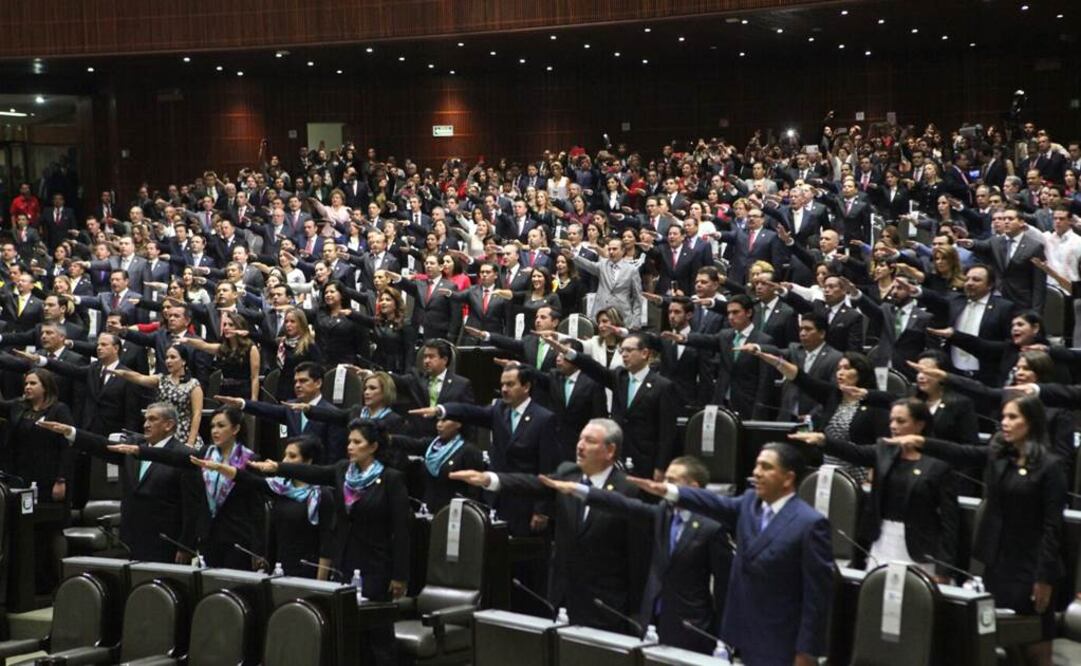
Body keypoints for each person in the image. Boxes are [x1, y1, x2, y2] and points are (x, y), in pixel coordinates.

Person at [890, 396, 1066, 666]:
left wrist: (1044, 576)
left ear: (1031, 422)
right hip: (998, 561)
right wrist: (922, 442)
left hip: (1032, 565)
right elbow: (962, 452)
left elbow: (1052, 526)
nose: (1004, 423)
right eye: (1003, 417)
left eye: (1012, 417)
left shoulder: (1050, 466)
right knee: (1001, 638)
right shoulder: (1000, 454)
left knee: (1035, 645)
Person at [630, 442, 833, 666]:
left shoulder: (810, 523)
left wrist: (807, 652)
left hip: (783, 640)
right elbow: (712, 502)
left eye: (766, 467)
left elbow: (817, 598)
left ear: (788, 478)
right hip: (747, 636)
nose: (756, 472)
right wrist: (670, 491)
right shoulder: (749, 505)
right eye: (756, 465)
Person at [449, 419, 650, 634]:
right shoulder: (568, 473)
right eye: (580, 438)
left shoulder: (628, 491)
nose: (580, 445)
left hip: (608, 606)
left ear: (610, 450)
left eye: (589, 441)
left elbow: (638, 558)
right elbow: (532, 484)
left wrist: (636, 613)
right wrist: (489, 479)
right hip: (564, 600)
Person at [250, 419, 410, 666]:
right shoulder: (343, 471)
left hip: (377, 565)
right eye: (349, 441)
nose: (350, 446)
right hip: (345, 561)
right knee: (348, 632)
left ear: (373, 446)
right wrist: (278, 467)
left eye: (357, 442)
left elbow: (401, 530)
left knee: (378, 635)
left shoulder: (391, 479)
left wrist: (400, 575)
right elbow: (313, 472)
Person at [540, 455, 731, 653]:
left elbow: (725, 589)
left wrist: (724, 640)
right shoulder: (664, 512)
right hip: (654, 621)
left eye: (672, 481)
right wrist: (580, 490)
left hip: (692, 626)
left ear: (694, 487)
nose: (664, 485)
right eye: (665, 479)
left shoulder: (712, 528)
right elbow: (624, 505)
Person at [789, 398, 960, 578]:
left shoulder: (939, 464)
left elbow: (950, 522)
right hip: (882, 539)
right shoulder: (885, 450)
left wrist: (944, 570)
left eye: (901, 421)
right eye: (892, 421)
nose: (893, 426)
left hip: (920, 546)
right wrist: (823, 440)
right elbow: (854, 452)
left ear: (919, 425)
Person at [106, 406, 266, 569]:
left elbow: (257, 509)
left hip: (238, 539)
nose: (214, 431)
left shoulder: (249, 460)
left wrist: (259, 549)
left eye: (221, 426)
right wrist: (141, 451)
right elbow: (173, 457)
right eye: (212, 426)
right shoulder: (204, 454)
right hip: (209, 538)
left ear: (236, 429)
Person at [38, 403, 195, 563]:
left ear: (168, 425)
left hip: (165, 542)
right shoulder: (133, 446)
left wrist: (185, 546)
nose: (145, 424)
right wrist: (71, 432)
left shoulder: (183, 456)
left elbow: (190, 508)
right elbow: (101, 445)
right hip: (130, 539)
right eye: (145, 419)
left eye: (152, 419)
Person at [412, 365, 556, 536]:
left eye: (510, 384)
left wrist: (541, 509)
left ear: (526, 386)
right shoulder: (499, 410)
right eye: (502, 385)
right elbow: (471, 412)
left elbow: (548, 466)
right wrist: (441, 410)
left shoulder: (544, 418)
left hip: (525, 501)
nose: (504, 389)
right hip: (496, 498)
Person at [541, 331, 677, 480]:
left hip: (645, 459)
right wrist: (568, 352)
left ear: (645, 353)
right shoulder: (620, 377)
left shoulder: (663, 386)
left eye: (629, 350)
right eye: (622, 350)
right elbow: (594, 368)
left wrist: (661, 467)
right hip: (616, 455)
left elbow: (667, 432)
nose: (624, 354)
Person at [193, 435, 334, 578]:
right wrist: (219, 467)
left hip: (308, 569)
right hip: (279, 567)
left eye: (292, 456)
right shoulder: (281, 487)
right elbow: (248, 479)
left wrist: (320, 581)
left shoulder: (321, 494)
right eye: (285, 455)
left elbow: (327, 543)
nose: (285, 461)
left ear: (308, 461)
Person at [752, 348, 890, 483]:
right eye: (839, 368)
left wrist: (873, 476)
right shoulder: (833, 396)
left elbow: (882, 447)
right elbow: (801, 378)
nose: (840, 373)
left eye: (847, 368)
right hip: (828, 473)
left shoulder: (875, 404)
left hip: (859, 477)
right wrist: (776, 362)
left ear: (861, 373)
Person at [0, 369, 74, 592]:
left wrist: (61, 479)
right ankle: (29, 583)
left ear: (45, 386)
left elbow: (67, 448)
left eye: (33, 383)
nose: (27, 387)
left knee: (51, 529)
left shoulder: (59, 410)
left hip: (51, 478)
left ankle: (57, 582)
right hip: (22, 478)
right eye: (26, 383)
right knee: (24, 530)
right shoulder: (19, 407)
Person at [218, 362, 347, 463]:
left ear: (318, 383)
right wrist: (242, 403)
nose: (297, 385)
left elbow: (334, 456)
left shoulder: (332, 414)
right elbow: (267, 410)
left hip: (317, 481)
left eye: (303, 381)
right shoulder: (291, 407)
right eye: (295, 381)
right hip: (291, 477)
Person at [389, 416, 484, 513]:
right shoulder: (432, 446)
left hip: (455, 511)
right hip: (429, 507)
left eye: (444, 421)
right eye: (438, 420)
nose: (439, 425)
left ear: (458, 424)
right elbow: (412, 443)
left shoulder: (469, 451)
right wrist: (389, 438)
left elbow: (474, 491)